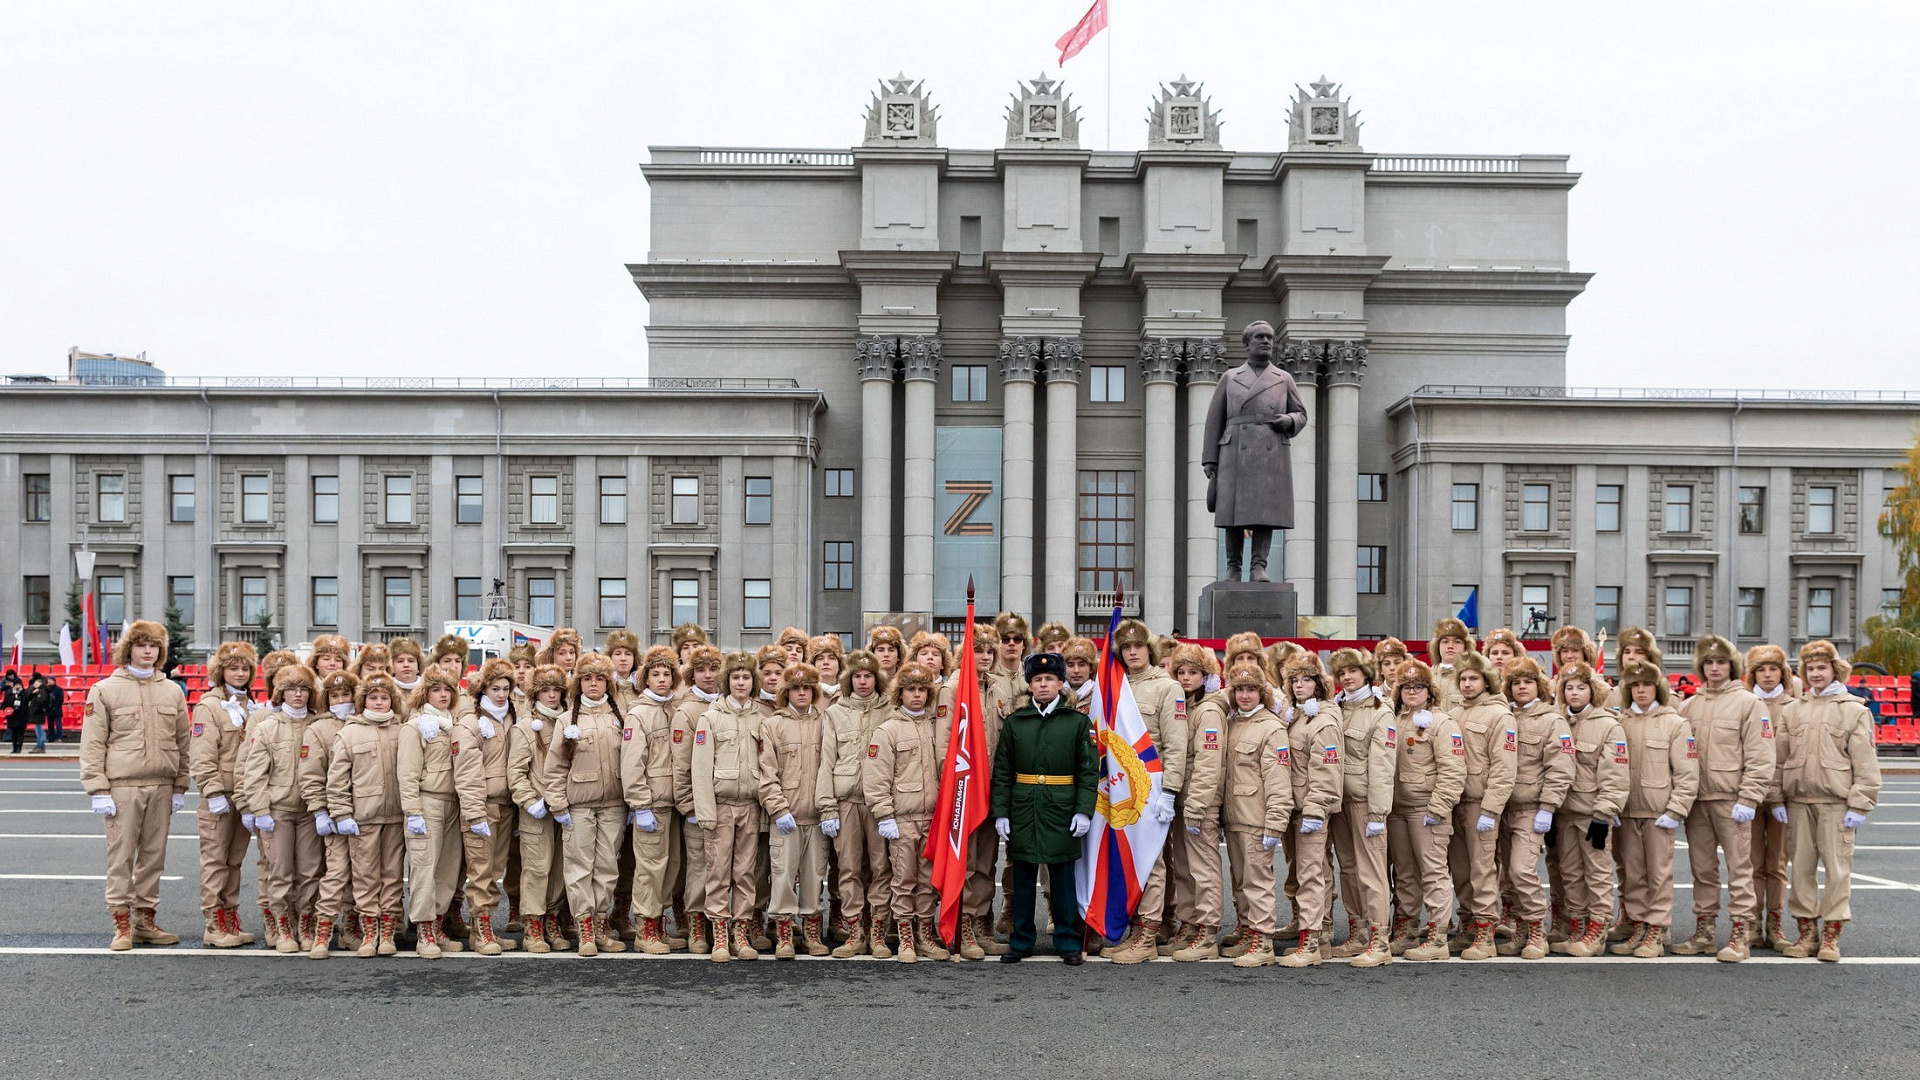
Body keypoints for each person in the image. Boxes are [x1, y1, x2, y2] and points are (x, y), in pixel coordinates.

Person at [82, 619, 190, 950]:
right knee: (121, 856)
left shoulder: (172, 690)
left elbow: (183, 741)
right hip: (122, 787)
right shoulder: (105, 690)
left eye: (154, 646)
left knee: (154, 857)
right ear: (129, 649)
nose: (148, 651)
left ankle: (145, 920)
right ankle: (122, 924)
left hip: (161, 785)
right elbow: (93, 743)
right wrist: (97, 788)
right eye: (142, 645)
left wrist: (180, 785)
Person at [990, 651, 1098, 966]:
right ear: (1030, 685)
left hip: (1062, 806)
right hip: (1024, 806)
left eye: (1050, 679)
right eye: (1037, 679)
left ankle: (1067, 940)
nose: (1044, 685)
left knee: (1063, 877)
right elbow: (1002, 771)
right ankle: (1021, 940)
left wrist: (1083, 810)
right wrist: (1001, 812)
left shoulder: (1077, 722)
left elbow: (1088, 770)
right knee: (1022, 876)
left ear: (1061, 683)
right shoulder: (1016, 722)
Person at [1672, 634, 1774, 963]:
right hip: (1698, 800)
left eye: (1721, 662)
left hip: (1732, 800)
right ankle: (1704, 931)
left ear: (1733, 666)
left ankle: (1742, 933)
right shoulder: (1690, 705)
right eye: (1709, 663)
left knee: (1740, 869)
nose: (1715, 668)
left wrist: (1750, 797)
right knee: (1702, 870)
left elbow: (1761, 756)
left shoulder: (1749, 704)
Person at [1778, 640, 1882, 961]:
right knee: (1801, 871)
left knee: (1837, 870)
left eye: (1822, 668)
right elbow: (1780, 759)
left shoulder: (1854, 710)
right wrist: (1776, 798)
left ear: (1835, 670)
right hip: (1798, 802)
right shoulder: (1792, 710)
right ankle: (1807, 934)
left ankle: (1831, 938)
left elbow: (1865, 762)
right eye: (1810, 669)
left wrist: (1860, 803)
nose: (1816, 674)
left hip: (1836, 804)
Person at [1187, 661, 1291, 968]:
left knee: (1258, 881)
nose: (1245, 696)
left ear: (1263, 693)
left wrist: (1275, 822)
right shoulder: (1231, 724)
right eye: (1240, 690)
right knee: (1242, 882)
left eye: (1252, 690)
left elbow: (1278, 780)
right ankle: (1249, 934)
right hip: (1234, 818)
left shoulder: (1271, 728)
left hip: (1258, 819)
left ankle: (1264, 942)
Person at [1200, 319, 1308, 582]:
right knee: (1232, 515)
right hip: (1235, 451)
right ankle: (1233, 568)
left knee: (1265, 514)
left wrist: (1290, 421)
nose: (1266, 341)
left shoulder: (1284, 379)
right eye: (1260, 337)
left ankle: (1259, 567)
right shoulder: (1230, 377)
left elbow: (1302, 414)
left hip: (1270, 453)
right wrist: (1209, 459)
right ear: (1247, 344)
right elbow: (1214, 419)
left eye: (1270, 337)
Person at [1106, 619, 1185, 965]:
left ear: (1149, 650)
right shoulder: (1114, 684)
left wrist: (1170, 791)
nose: (1133, 652)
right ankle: (1135, 926)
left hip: (1152, 787)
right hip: (1118, 787)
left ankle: (1148, 934)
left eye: (1138, 646)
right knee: (1125, 859)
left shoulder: (1167, 688)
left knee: (1151, 859)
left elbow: (1176, 744)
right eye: (1126, 647)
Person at [1608, 660, 1698, 958]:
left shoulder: (1675, 723)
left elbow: (1687, 772)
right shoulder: (1621, 723)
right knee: (1632, 874)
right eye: (1635, 685)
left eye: (1646, 684)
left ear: (1657, 687)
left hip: (1658, 813)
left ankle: (1657, 930)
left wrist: (1676, 811)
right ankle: (1638, 925)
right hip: (1627, 810)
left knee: (1658, 875)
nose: (1641, 690)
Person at [541, 652, 627, 956]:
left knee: (607, 867)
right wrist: (558, 805)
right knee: (579, 867)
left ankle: (601, 924)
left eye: (600, 678)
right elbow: (554, 767)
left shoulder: (619, 716)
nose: (594, 684)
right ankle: (585, 928)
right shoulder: (567, 719)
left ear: (608, 683)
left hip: (614, 804)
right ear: (579, 683)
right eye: (588, 678)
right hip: (578, 806)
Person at [863, 662, 948, 963]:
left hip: (933, 818)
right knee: (903, 879)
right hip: (903, 819)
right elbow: (876, 778)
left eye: (922, 689)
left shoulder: (936, 727)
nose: (917, 695)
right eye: (910, 689)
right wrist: (884, 815)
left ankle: (925, 934)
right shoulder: (888, 730)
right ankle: (905, 938)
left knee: (928, 880)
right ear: (899, 694)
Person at [238, 663, 322, 954]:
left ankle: (305, 923)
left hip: (311, 811)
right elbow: (254, 773)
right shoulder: (267, 727)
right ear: (280, 693)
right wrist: (259, 810)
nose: (298, 695)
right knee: (280, 870)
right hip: (279, 810)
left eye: (303, 689)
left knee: (310, 871)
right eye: (291, 689)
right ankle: (283, 925)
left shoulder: (318, 724)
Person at [1385, 660, 1465, 962]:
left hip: (1426, 810)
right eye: (1406, 687)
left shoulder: (1441, 723)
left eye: (1418, 686)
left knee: (1433, 873)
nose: (1412, 692)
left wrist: (1439, 806)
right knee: (1404, 874)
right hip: (1397, 809)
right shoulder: (1394, 718)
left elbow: (1453, 769)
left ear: (1430, 690)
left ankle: (1437, 935)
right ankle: (1406, 929)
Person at [1548, 661, 1627, 958]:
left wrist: (1604, 813)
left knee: (1596, 873)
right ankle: (1577, 926)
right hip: (1565, 811)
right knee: (1569, 873)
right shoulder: (1559, 722)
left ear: (1593, 691)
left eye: (1581, 687)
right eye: (1569, 688)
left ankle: (1597, 928)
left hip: (1592, 812)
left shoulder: (1607, 725)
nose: (1575, 693)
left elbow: (1615, 774)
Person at [817, 649, 893, 958]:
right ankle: (854, 932)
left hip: (878, 804)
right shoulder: (835, 712)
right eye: (858, 676)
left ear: (877, 679)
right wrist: (827, 807)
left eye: (869, 676)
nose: (863, 681)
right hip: (846, 800)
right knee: (848, 867)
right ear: (849, 680)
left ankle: (877, 933)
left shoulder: (890, 711)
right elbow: (826, 761)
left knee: (880, 868)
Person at [1497, 656, 1573, 960]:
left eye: (1527, 682)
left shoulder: (1552, 720)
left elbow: (1561, 767)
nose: (1521, 688)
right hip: (1502, 807)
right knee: (1507, 876)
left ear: (1538, 685)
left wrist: (1548, 807)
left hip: (1531, 808)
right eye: (1515, 683)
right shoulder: (1506, 717)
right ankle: (1520, 930)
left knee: (1521, 869)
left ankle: (1537, 931)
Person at [326, 673, 407, 957]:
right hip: (364, 818)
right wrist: (341, 813)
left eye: (384, 698)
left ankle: (387, 932)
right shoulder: (348, 733)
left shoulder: (402, 730)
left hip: (396, 817)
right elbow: (337, 780)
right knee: (365, 877)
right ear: (363, 701)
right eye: (373, 698)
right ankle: (368, 930)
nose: (379, 703)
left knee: (393, 876)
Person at [693, 650, 766, 962]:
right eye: (735, 677)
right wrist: (706, 813)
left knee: (745, 873)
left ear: (753, 682)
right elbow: (699, 769)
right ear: (727, 681)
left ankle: (741, 932)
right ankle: (720, 934)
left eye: (746, 677)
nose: (741, 682)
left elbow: (767, 766)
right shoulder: (710, 718)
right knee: (718, 872)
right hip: (721, 807)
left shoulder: (762, 719)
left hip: (750, 806)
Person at [1325, 647, 1396, 968]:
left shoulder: (1380, 711)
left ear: (1366, 673)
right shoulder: (1336, 708)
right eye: (1341, 673)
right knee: (1349, 870)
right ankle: (1358, 932)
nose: (1347, 678)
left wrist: (1379, 814)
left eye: (1352, 671)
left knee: (1371, 872)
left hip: (1366, 804)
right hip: (1339, 801)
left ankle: (1380, 940)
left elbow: (1383, 765)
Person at [191, 641, 261, 950]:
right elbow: (203, 754)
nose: (239, 673)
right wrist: (211, 790)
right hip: (220, 795)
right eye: (233, 668)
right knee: (215, 859)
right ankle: (213, 921)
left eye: (245, 668)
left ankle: (230, 915)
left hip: (244, 795)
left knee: (235, 860)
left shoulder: (250, 706)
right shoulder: (210, 706)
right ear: (221, 671)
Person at [1276, 652, 1344, 967]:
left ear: (1319, 682)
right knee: (1300, 871)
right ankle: (1309, 927)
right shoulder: (1297, 715)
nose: (1300, 685)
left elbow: (1327, 771)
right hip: (1293, 808)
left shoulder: (1323, 719)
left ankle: (1313, 941)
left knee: (1311, 873)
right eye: (1294, 679)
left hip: (1310, 810)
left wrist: (1316, 811)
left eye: (1306, 679)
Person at [759, 662, 829, 958]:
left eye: (807, 688)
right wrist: (777, 809)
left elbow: (832, 767)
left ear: (814, 692)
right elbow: (766, 772)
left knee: (814, 874)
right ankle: (784, 934)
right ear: (785, 693)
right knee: (783, 875)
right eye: (795, 689)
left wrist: (830, 810)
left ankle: (812, 933)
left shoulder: (826, 722)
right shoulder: (772, 725)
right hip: (786, 816)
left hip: (817, 815)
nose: (801, 693)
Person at [1446, 650, 1513, 960]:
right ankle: (1469, 923)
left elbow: (1504, 766)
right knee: (1459, 869)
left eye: (1474, 678)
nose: (1468, 683)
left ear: (1487, 681)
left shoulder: (1500, 715)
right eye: (1463, 678)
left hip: (1479, 804)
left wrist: (1491, 809)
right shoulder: (1455, 713)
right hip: (1454, 802)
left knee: (1481, 869)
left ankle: (1486, 931)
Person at [451, 659, 520, 956]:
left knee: (494, 870)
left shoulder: (511, 717)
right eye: (495, 688)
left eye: (506, 688)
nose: (502, 694)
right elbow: (467, 772)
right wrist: (474, 811)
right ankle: (480, 932)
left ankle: (487, 925)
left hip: (505, 805)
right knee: (479, 871)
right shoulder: (470, 723)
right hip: (482, 806)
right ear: (483, 689)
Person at [619, 646, 684, 954]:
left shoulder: (674, 709)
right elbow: (632, 763)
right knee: (649, 868)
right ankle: (645, 928)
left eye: (667, 673)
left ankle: (658, 924)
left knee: (670, 867)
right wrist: (639, 804)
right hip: (652, 804)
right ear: (645, 677)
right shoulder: (639, 713)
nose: (661, 679)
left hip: (673, 802)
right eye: (655, 674)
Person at [1166, 644, 1226, 961]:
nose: (1186, 678)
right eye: (1181, 672)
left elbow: (1208, 763)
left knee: (1204, 869)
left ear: (1206, 676)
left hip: (1199, 803)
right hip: (1183, 800)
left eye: (1193, 672)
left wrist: (1198, 805)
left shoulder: (1209, 710)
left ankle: (1208, 931)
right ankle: (1189, 925)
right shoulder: (1186, 706)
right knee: (1185, 869)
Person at [507, 665, 569, 953]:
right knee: (537, 867)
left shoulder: (569, 723)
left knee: (560, 868)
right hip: (538, 809)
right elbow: (516, 773)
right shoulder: (524, 728)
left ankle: (552, 919)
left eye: (556, 689)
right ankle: (533, 923)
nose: (552, 695)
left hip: (566, 807)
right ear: (536, 694)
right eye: (546, 690)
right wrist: (530, 802)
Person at [298, 671, 360, 959]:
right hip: (335, 813)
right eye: (334, 696)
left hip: (363, 812)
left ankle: (351, 928)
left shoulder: (362, 723)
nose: (341, 700)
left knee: (361, 876)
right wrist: (321, 810)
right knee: (336, 873)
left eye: (346, 695)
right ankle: (323, 928)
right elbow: (311, 774)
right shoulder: (318, 729)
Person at [671, 644, 725, 953]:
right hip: (697, 804)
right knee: (700, 866)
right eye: (701, 670)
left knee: (725, 867)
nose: (708, 675)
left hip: (728, 802)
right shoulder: (687, 710)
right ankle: (696, 924)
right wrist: (688, 804)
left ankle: (720, 921)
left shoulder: (727, 705)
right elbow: (680, 763)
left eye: (713, 669)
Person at [1744, 644, 1798, 950]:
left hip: (1783, 797)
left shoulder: (1793, 706)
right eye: (1761, 670)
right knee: (1751, 863)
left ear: (1783, 673)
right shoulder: (1746, 704)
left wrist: (1780, 793)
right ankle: (1751, 922)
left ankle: (1775, 924)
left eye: (1773, 669)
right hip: (1750, 796)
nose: (1767, 676)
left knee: (1777, 863)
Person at [1427, 618, 1473, 710]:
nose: (1450, 646)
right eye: (1445, 641)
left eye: (1457, 642)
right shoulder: (1425, 677)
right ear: (1437, 646)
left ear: (1465, 647)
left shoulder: (1473, 679)